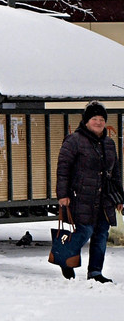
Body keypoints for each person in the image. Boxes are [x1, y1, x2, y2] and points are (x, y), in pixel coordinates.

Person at [55, 101, 124, 282]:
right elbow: (63, 168)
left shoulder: (109, 144)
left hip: (105, 197)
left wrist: (119, 196)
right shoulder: (74, 141)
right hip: (81, 196)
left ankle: (95, 272)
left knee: (101, 233)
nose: (99, 122)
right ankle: (66, 259)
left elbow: (115, 172)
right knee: (84, 230)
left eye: (102, 119)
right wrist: (63, 195)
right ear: (86, 121)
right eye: (94, 118)